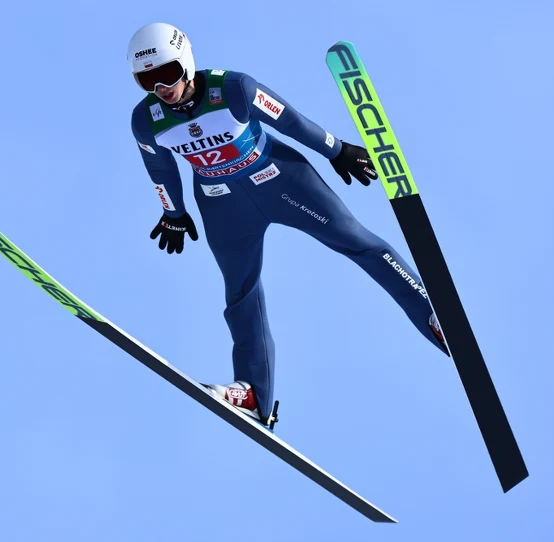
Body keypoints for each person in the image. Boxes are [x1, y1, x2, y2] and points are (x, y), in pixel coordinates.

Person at [128, 22, 448, 426]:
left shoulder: (233, 89)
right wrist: (173, 212)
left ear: (187, 63)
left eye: (167, 75)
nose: (162, 88)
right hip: (223, 206)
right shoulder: (147, 120)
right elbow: (159, 168)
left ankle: (434, 316)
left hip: (281, 181)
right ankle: (252, 396)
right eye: (147, 81)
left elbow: (290, 121)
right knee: (241, 294)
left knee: (355, 240)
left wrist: (337, 150)